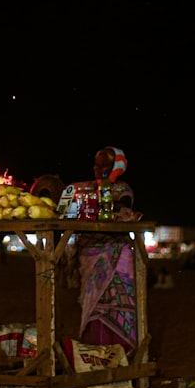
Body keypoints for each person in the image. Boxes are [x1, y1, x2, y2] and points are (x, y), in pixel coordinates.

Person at [68, 146, 141, 353]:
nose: (99, 169)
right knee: (92, 308)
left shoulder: (122, 189)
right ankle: (95, 356)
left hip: (115, 256)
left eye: (105, 165)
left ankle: (121, 354)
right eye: (97, 164)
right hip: (89, 256)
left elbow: (121, 207)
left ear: (117, 166)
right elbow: (67, 210)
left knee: (115, 306)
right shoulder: (83, 188)